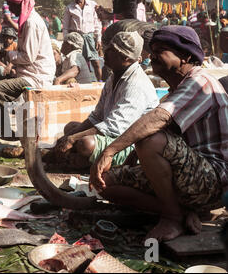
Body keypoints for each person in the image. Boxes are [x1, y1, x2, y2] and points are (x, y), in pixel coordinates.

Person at [90, 26, 228, 242]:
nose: (152, 55)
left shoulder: (201, 82)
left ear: (185, 56)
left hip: (213, 181)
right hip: (187, 177)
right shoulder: (177, 90)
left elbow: (158, 120)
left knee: (150, 140)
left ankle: (172, 217)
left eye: (161, 50)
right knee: (104, 183)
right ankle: (183, 212)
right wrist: (126, 166)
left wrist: (110, 151)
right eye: (151, 50)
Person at [52, 32, 158, 170]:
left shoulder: (136, 84)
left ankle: (81, 162)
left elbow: (113, 127)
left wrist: (72, 139)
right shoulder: (113, 77)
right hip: (112, 134)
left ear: (125, 58)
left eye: (111, 50)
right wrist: (70, 136)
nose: (105, 52)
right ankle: (78, 160)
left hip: (131, 145)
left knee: (85, 143)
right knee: (70, 128)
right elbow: (97, 116)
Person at [0, 0, 55, 139]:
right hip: (27, 72)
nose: (10, 8)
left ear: (19, 3)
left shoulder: (32, 23)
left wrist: (4, 54)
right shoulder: (26, 22)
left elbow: (28, 57)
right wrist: (2, 53)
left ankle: (7, 133)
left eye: (11, 4)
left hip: (36, 76)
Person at [63, 0, 103, 81]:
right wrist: (66, 40)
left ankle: (101, 82)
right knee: (78, 62)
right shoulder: (69, 8)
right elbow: (65, 27)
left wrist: (98, 39)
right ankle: (82, 82)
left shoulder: (92, 5)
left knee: (96, 62)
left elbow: (97, 23)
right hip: (76, 39)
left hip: (89, 37)